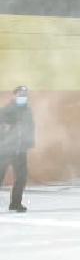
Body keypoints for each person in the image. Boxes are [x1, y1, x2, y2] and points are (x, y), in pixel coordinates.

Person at [0, 85, 35, 213]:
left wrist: (29, 142)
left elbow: (30, 127)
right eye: (20, 94)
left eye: (25, 95)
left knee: (21, 178)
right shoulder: (7, 110)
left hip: (20, 150)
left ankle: (15, 203)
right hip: (5, 150)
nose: (23, 97)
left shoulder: (28, 111)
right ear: (15, 95)